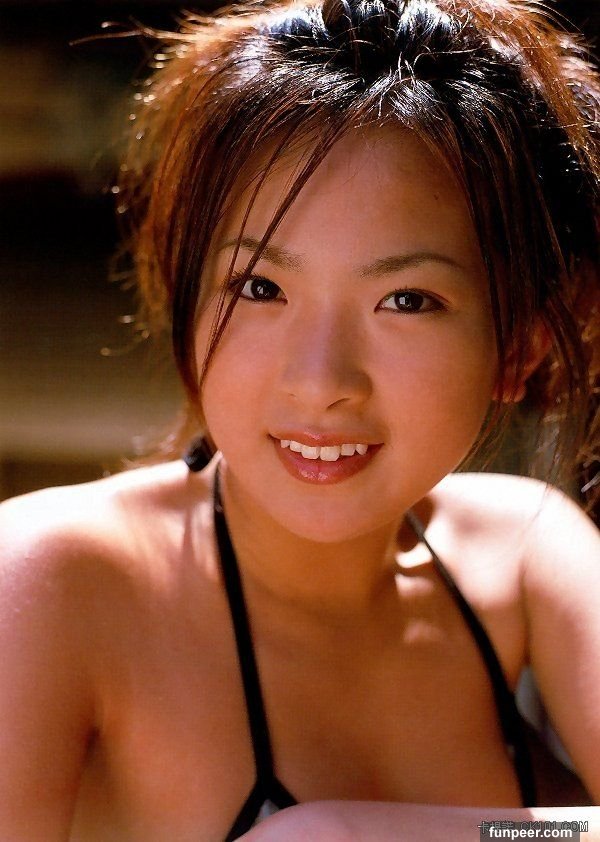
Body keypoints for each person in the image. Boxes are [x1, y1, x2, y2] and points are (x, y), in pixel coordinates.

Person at [1, 0, 599, 839]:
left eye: (407, 300)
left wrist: (343, 832)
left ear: (520, 345)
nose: (320, 383)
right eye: (260, 288)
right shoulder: (51, 582)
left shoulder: (525, 551)